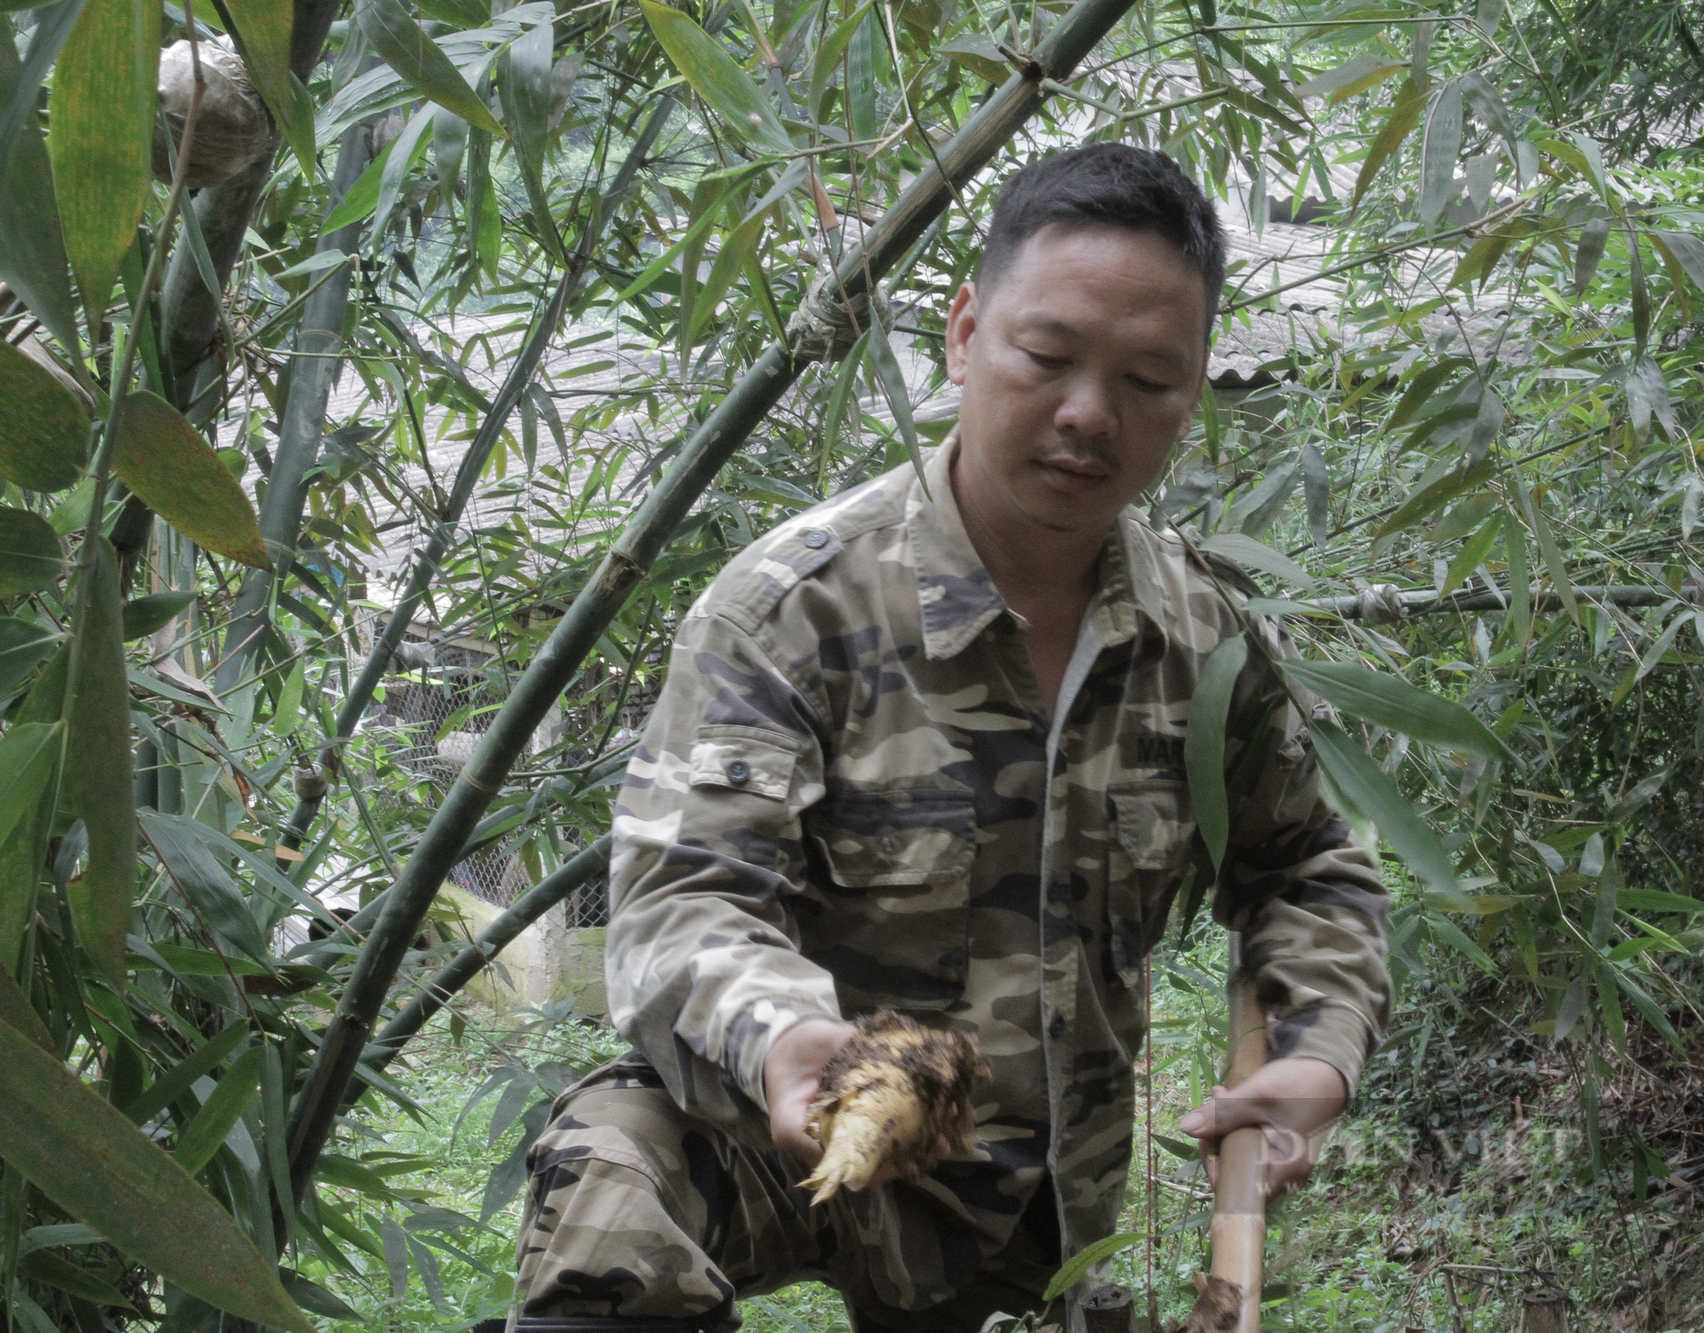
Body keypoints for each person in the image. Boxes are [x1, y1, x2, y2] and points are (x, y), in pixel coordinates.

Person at [509, 143, 1391, 1333]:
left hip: (1038, 1200)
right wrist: (785, 1037)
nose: (1088, 414)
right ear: (966, 333)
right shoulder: (791, 607)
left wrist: (1313, 1055)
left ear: (1192, 393)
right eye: (1046, 356)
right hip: (813, 1110)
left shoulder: (1201, 637)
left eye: (1147, 379)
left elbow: (1305, 869)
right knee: (608, 1169)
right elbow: (684, 895)